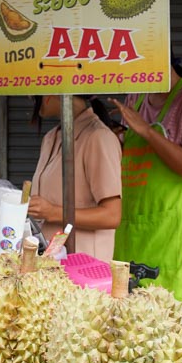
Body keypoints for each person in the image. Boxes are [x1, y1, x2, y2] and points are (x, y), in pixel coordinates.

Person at [110, 57, 182, 318]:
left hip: (178, 235)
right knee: (130, 321)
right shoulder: (135, 96)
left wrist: (146, 131)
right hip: (135, 230)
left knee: (176, 322)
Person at [27, 94, 123, 260]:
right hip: (53, 262)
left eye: (33, 97)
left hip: (86, 266)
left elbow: (112, 215)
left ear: (50, 95)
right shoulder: (51, 138)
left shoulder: (99, 137)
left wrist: (53, 212)